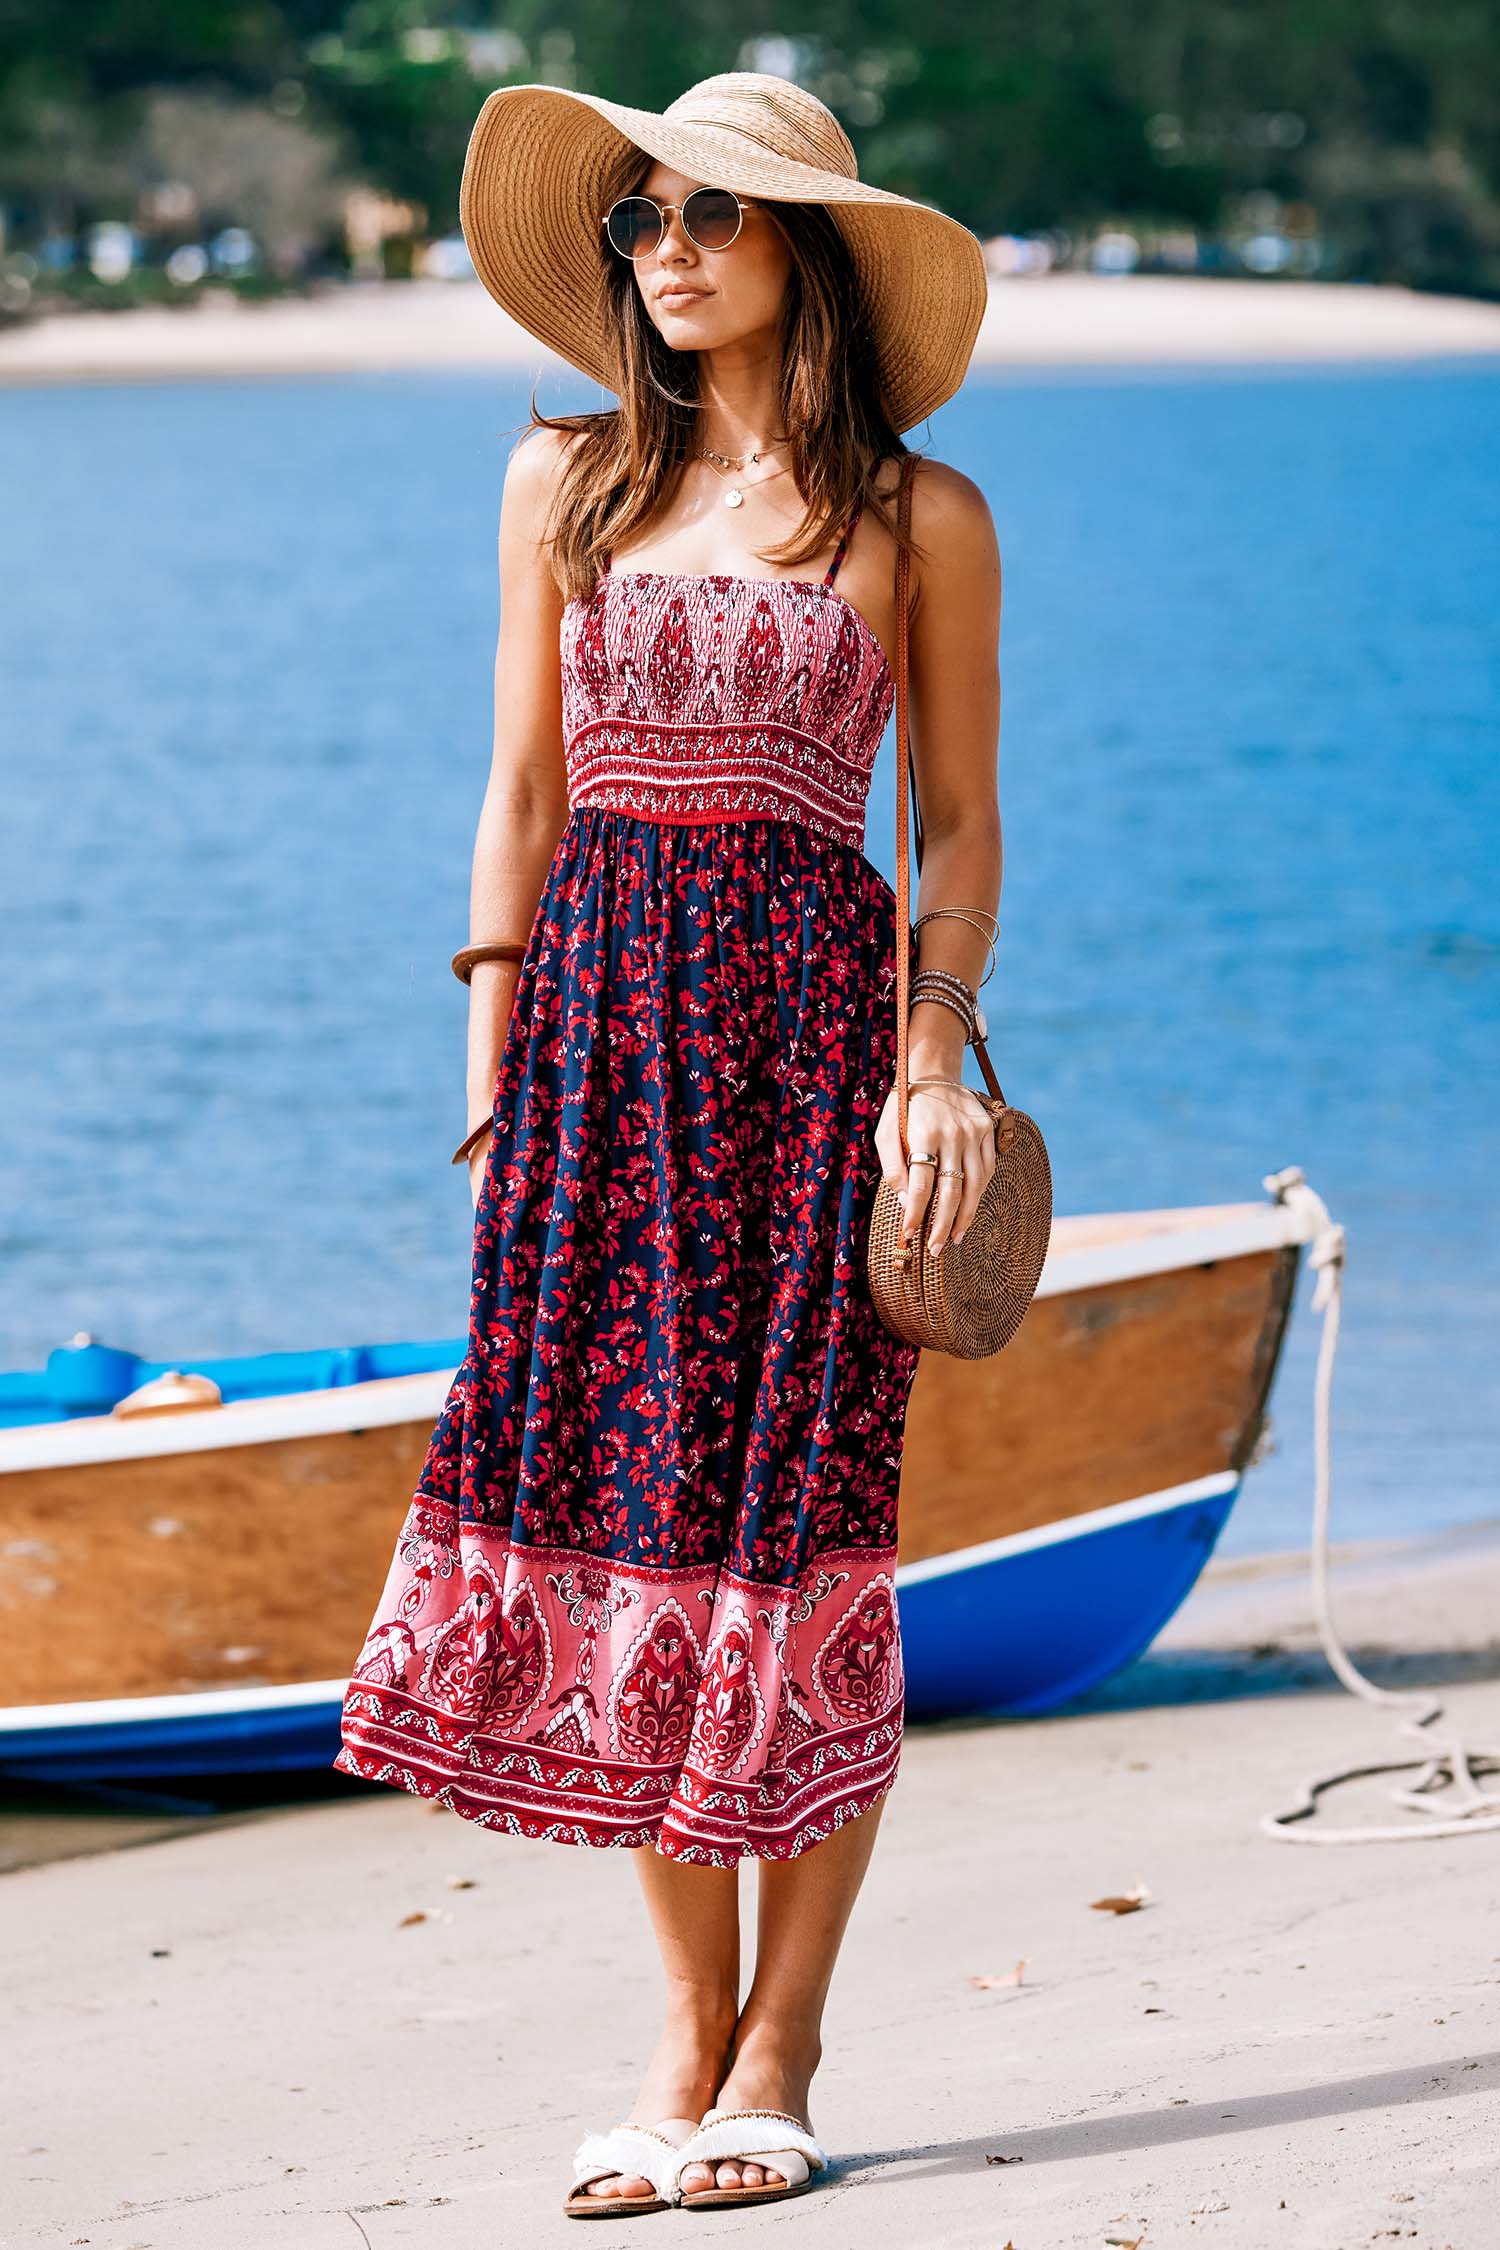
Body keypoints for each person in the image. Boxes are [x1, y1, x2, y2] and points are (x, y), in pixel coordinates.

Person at [333, 70, 1004, 2216]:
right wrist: (487, 1068)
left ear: (809, 243)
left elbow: (957, 826)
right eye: (642, 215)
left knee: (803, 1532)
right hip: (600, 1057)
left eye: (715, 211)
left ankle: (783, 2040)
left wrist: (937, 1047)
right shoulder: (563, 488)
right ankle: (683, 2031)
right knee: (631, 1537)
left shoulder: (919, 518)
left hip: (818, 1056)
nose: (670, 246)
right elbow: (519, 794)